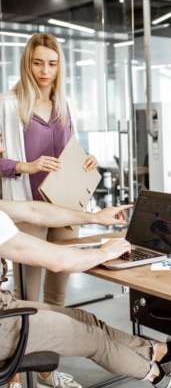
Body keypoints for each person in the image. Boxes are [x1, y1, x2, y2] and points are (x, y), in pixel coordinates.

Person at [0, 199, 171, 388]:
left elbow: (34, 211)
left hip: (4, 305)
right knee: (93, 339)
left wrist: (95, 217)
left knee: (84, 318)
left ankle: (164, 354)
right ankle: (155, 375)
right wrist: (105, 253)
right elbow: (58, 261)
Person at [0, 33, 98, 307]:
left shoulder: (67, 105)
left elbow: (71, 151)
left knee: (58, 295)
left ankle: (54, 344)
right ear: (26, 64)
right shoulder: (6, 105)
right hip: (28, 210)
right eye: (38, 63)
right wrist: (25, 166)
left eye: (52, 64)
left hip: (64, 208)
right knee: (27, 296)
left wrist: (87, 160)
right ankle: (28, 346)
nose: (45, 71)